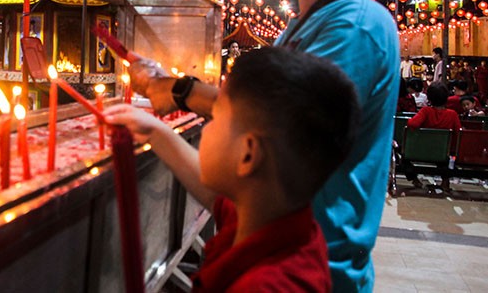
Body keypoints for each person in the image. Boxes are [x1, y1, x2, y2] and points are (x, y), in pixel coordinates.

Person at [126, 0, 399, 292]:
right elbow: (243, 185)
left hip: (321, 271)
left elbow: (273, 124)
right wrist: (156, 128)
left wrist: (179, 91)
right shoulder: (303, 24)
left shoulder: (354, 28)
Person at [105, 47, 361, 292]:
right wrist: (154, 132)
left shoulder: (265, 286)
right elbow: (216, 199)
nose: (207, 128)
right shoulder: (267, 219)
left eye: (215, 117)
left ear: (248, 154)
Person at [405, 83, 461, 191]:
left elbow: (412, 124)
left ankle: (415, 179)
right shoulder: (452, 114)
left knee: (403, 158)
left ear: (429, 98)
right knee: (445, 161)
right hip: (442, 152)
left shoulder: (426, 111)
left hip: (421, 150)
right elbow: (458, 133)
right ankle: (445, 181)